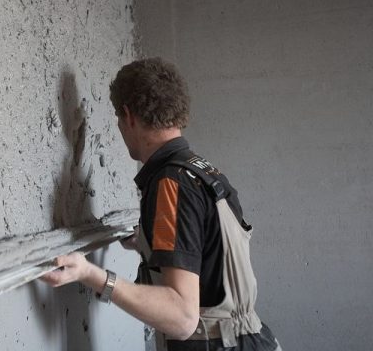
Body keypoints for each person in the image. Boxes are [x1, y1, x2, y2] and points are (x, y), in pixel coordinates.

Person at [41, 58, 281, 350]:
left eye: (119, 119)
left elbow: (182, 317)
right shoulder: (202, 172)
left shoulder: (171, 184)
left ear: (128, 116)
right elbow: (208, 255)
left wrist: (90, 274)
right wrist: (149, 242)